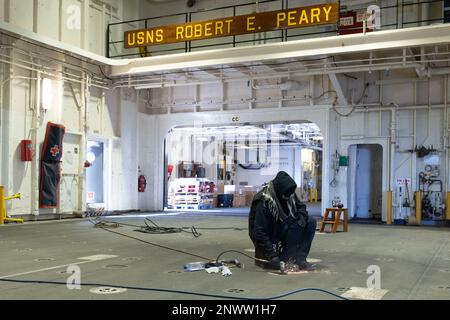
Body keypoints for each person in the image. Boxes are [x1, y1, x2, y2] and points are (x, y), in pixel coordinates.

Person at [248, 171, 316, 270]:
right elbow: (259, 232)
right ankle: (284, 258)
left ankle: (300, 259)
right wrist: (272, 256)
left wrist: (302, 216)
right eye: (285, 195)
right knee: (290, 226)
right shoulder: (264, 201)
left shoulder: (289, 192)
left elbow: (301, 206)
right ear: (279, 189)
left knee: (310, 222)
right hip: (270, 234)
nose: (287, 197)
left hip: (283, 226)